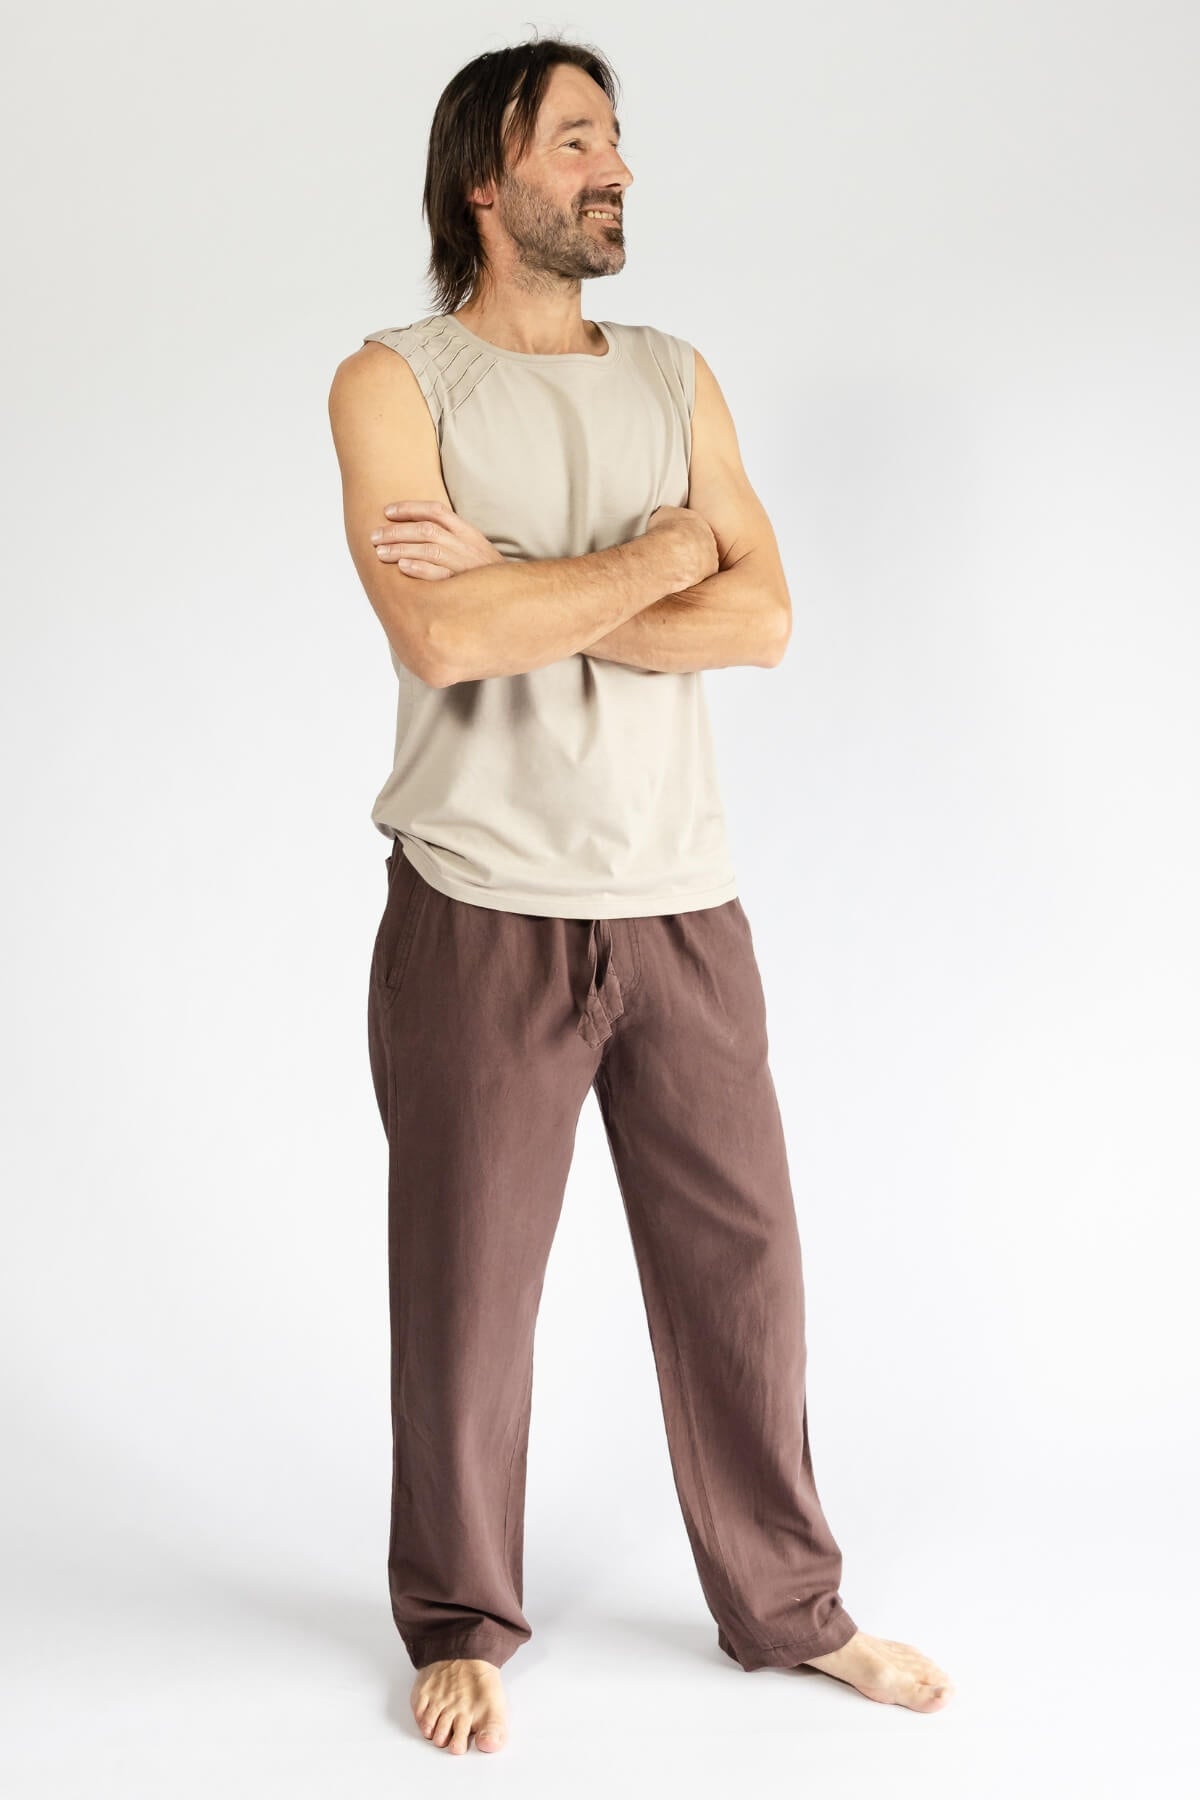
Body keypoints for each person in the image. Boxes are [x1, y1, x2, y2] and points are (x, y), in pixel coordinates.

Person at [327, 35, 953, 1759]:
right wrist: (665, 553)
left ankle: (789, 1609)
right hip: (477, 902)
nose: (616, 170)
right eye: (579, 140)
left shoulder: (675, 375)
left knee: (745, 1268)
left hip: (684, 897)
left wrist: (540, 583)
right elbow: (441, 637)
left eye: (618, 141)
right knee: (468, 1290)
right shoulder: (393, 384)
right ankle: (461, 1619)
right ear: (487, 177)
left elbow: (765, 620)